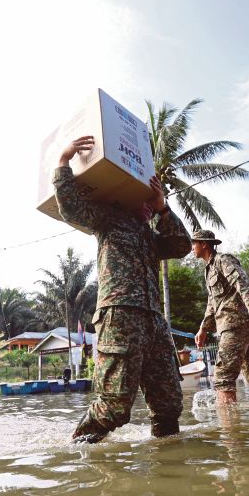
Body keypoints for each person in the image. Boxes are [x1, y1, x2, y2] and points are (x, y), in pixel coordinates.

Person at [54, 135, 192, 443]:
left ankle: (169, 467)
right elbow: (71, 209)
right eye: (143, 199)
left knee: (169, 405)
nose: (145, 203)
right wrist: (64, 162)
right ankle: (78, 450)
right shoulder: (108, 220)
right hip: (120, 316)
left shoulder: (152, 237)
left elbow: (182, 246)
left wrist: (162, 209)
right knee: (115, 407)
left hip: (154, 321)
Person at [191, 230, 249, 406]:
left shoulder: (223, 260)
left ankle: (231, 432)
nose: (192, 247)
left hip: (236, 325)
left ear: (204, 244)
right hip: (232, 328)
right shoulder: (209, 269)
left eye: (194, 243)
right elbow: (212, 303)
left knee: (222, 377)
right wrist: (203, 328)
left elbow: (243, 283)